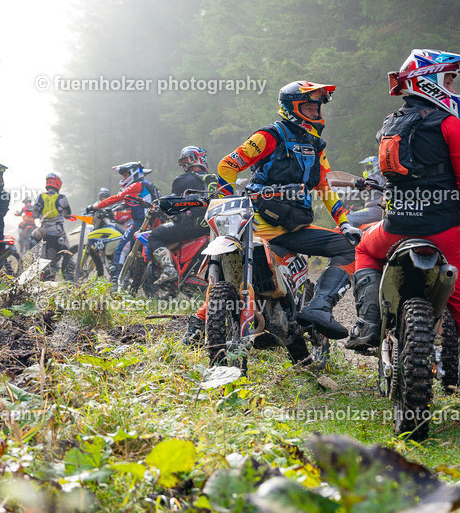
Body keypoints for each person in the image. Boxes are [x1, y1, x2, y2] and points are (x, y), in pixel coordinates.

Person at [344, 49, 460, 415]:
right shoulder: (449, 124)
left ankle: (368, 323)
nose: (453, 88)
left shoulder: (390, 123)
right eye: (449, 80)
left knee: (364, 249)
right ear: (429, 81)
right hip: (444, 232)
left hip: (396, 228)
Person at [184, 81, 360, 344]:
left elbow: (323, 185)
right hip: (258, 226)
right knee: (243, 279)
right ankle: (199, 323)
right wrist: (229, 202)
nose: (316, 112)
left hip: (295, 227)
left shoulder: (315, 144)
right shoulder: (269, 135)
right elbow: (227, 165)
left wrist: (344, 223)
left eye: (318, 107)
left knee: (348, 247)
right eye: (310, 107)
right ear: (292, 107)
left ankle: (319, 307)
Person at [147, 146, 216, 287]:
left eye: (186, 160)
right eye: (183, 161)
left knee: (154, 235)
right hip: (211, 226)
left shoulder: (182, 179)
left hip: (190, 226)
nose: (184, 164)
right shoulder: (215, 179)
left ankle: (169, 270)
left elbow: (172, 203)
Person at [88, 162, 160, 281]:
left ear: (133, 173)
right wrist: (119, 207)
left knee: (121, 249)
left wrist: (96, 206)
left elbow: (117, 197)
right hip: (153, 222)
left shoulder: (137, 185)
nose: (124, 178)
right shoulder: (147, 185)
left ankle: (116, 280)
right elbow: (133, 201)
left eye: (126, 175)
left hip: (142, 223)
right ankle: (129, 277)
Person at [32, 173, 73, 280]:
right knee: (68, 249)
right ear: (57, 184)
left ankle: (35, 262)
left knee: (32, 238)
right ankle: (69, 274)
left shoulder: (40, 197)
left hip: (43, 230)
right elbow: (68, 212)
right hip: (58, 230)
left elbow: (34, 214)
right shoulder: (61, 197)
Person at [347, 156, 385, 228]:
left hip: (375, 210)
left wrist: (344, 201)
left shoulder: (374, 178)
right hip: (378, 209)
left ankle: (350, 236)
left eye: (368, 167)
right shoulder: (381, 178)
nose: (366, 170)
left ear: (376, 166)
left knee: (348, 218)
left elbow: (357, 192)